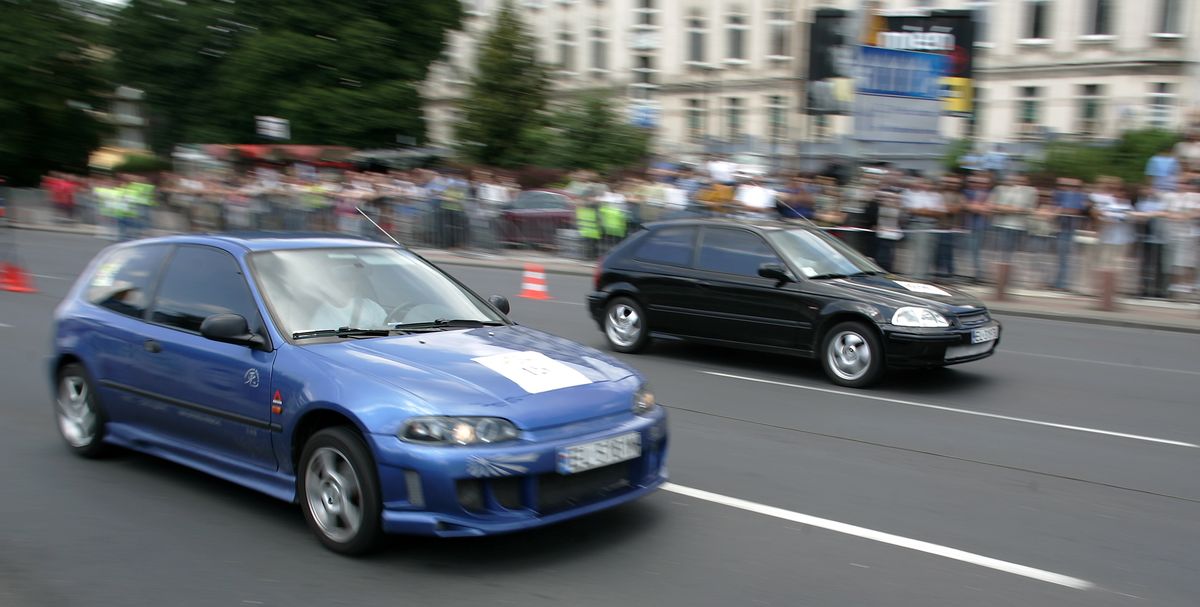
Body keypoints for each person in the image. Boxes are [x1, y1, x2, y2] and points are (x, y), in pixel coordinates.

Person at [989, 173, 1037, 265]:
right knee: (999, 253)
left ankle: (1005, 273)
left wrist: (1006, 208)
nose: (1019, 184)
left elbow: (1029, 208)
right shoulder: (1000, 189)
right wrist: (1012, 209)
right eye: (1017, 181)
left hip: (1019, 226)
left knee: (1010, 254)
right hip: (1000, 224)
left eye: (1022, 181)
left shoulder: (1031, 191)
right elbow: (992, 205)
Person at [902, 177, 945, 279]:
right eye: (925, 184)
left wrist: (925, 211)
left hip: (932, 225)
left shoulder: (937, 196)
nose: (927, 186)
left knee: (929, 251)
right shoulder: (914, 194)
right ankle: (917, 275)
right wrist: (927, 211)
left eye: (929, 184)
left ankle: (924, 274)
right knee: (919, 251)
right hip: (917, 224)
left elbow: (941, 212)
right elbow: (912, 210)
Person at [1133, 184, 1170, 298]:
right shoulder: (1142, 203)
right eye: (1148, 189)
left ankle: (1159, 289)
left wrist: (1150, 215)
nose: (1150, 191)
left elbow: (1164, 214)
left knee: (1159, 265)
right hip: (1146, 238)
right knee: (1145, 264)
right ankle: (1144, 287)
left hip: (1161, 238)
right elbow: (1138, 217)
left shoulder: (1162, 203)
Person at [1052, 177, 1089, 290]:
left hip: (1072, 229)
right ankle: (1058, 281)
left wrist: (1061, 210)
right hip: (1060, 228)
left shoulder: (1081, 196)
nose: (1069, 188)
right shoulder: (1059, 194)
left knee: (1067, 257)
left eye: (1073, 186)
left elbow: (1076, 210)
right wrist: (1061, 210)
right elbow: (1055, 208)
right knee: (1059, 257)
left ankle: (1063, 283)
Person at [960, 173, 992, 282]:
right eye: (976, 182)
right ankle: (971, 273)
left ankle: (977, 274)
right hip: (967, 225)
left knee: (977, 251)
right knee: (968, 250)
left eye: (983, 183)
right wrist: (978, 207)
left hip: (982, 226)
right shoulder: (967, 192)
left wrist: (976, 207)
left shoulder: (990, 194)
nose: (979, 184)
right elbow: (966, 206)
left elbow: (988, 209)